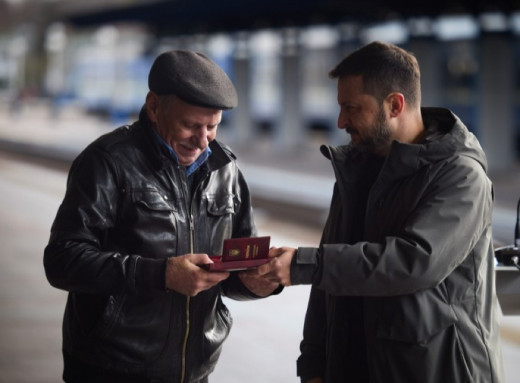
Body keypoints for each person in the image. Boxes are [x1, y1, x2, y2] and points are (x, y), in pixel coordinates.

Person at [254, 41, 505, 383]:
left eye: (352, 107)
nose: (341, 120)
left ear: (394, 105)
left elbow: (412, 262)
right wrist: (314, 364)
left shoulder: (460, 176)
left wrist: (304, 263)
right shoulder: (356, 169)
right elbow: (327, 282)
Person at [44, 50, 280, 383]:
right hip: (111, 368)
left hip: (195, 372)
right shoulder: (107, 162)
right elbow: (62, 260)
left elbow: (232, 270)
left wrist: (257, 284)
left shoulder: (226, 171)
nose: (202, 141)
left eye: (212, 127)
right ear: (154, 106)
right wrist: (161, 275)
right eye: (190, 125)